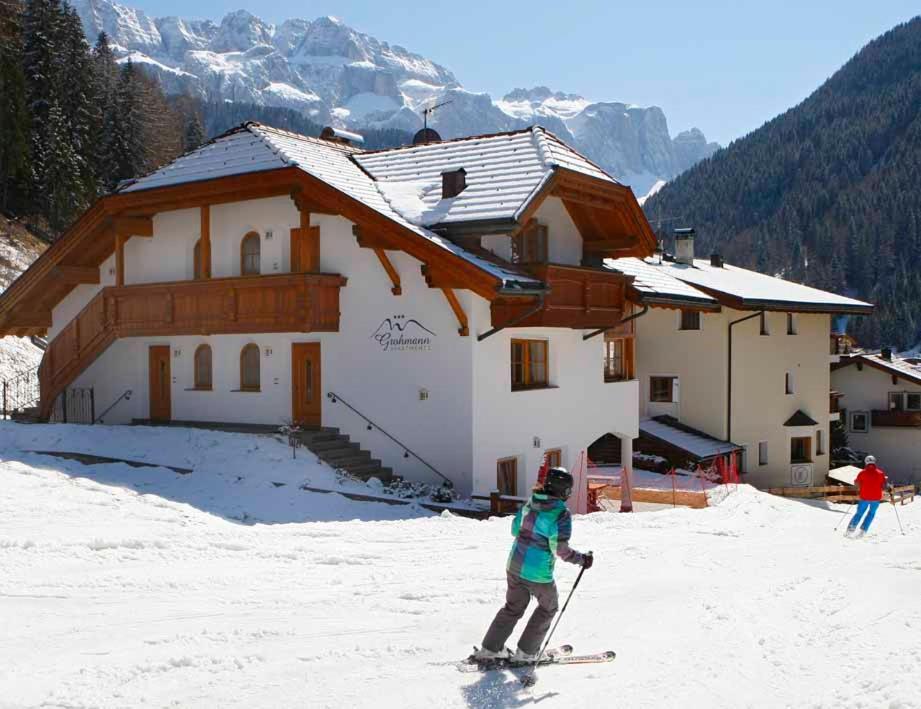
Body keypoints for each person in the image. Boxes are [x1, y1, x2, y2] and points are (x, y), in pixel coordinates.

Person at [475, 467, 593, 662]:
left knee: (513, 607)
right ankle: (526, 653)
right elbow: (561, 550)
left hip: (514, 564)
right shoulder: (561, 513)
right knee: (548, 607)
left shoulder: (531, 502)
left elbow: (515, 530)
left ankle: (490, 649)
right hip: (537, 573)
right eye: (568, 491)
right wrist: (582, 559)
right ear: (563, 491)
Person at [847, 455, 889, 536]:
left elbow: (856, 484)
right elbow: (884, 485)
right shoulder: (880, 473)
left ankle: (851, 528)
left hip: (864, 497)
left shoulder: (862, 473)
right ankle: (863, 530)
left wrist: (858, 485)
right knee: (871, 514)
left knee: (859, 513)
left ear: (866, 462)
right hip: (876, 498)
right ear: (874, 462)